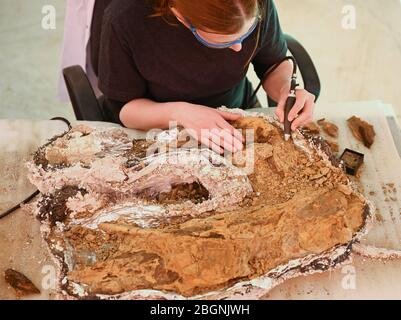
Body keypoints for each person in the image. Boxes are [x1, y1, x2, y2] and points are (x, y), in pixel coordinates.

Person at [64, 0, 316, 153]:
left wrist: (285, 88)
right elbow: (125, 108)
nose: (239, 49)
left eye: (245, 34)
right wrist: (181, 113)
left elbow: (272, 62)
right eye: (222, 41)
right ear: (179, 16)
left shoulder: (252, 4)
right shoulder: (125, 18)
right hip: (157, 125)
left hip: (234, 109)